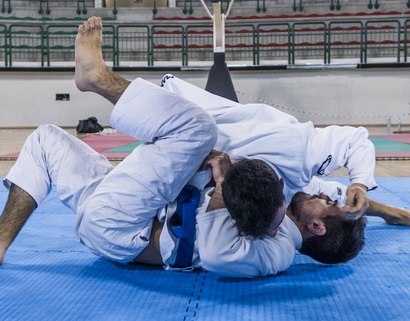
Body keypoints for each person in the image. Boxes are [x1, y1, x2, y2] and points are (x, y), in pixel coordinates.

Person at [0, 17, 407, 278]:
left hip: (129, 228)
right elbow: (352, 153)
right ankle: (1, 244)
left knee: (196, 130)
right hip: (120, 198)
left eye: (328, 203)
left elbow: (216, 255)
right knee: (45, 141)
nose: (323, 191)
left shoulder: (279, 248)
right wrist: (363, 187)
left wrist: (222, 186)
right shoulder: (302, 189)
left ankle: (98, 78)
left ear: (316, 227)